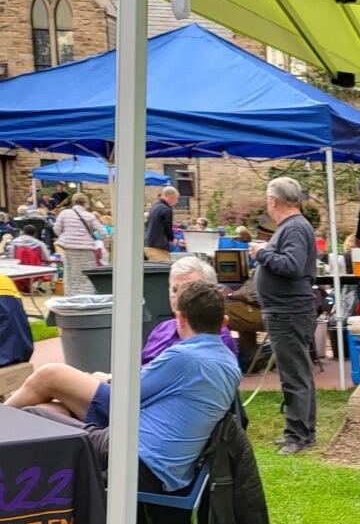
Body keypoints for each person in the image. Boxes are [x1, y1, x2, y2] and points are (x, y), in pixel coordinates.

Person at [6, 281, 241, 492]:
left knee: (49, 378)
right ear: (224, 322)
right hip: (160, 463)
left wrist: (101, 379)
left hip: (134, 457)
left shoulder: (185, 357)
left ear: (179, 318)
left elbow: (125, 397)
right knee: (52, 410)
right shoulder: (228, 363)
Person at [249, 176, 317, 455]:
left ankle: (298, 436)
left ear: (272, 200)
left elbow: (291, 265)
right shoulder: (293, 227)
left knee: (294, 375)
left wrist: (262, 253)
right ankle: (302, 431)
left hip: (289, 311)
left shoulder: (295, 228)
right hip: (286, 310)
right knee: (297, 373)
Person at [141, 256, 239, 365]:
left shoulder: (216, 338)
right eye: (174, 289)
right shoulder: (162, 329)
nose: (179, 297)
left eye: (188, 290)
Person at [222, 221, 269, 372]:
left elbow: (254, 296)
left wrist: (230, 294)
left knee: (218, 313)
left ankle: (220, 362)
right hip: (273, 312)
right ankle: (252, 360)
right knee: (240, 311)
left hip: (270, 315)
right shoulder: (275, 259)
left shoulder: (268, 262)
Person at [53, 192, 106, 295]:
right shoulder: (90, 215)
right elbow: (103, 233)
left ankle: (71, 296)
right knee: (86, 274)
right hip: (87, 248)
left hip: (69, 248)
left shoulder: (65, 213)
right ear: (85, 203)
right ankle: (87, 296)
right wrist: (106, 246)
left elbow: (56, 229)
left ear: (73, 202)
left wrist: (66, 235)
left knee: (70, 274)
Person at [144, 186, 180, 262]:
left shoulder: (154, 207)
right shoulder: (166, 209)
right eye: (177, 198)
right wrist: (173, 239)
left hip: (149, 244)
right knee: (165, 269)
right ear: (171, 197)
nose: (177, 201)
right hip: (158, 247)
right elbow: (168, 228)